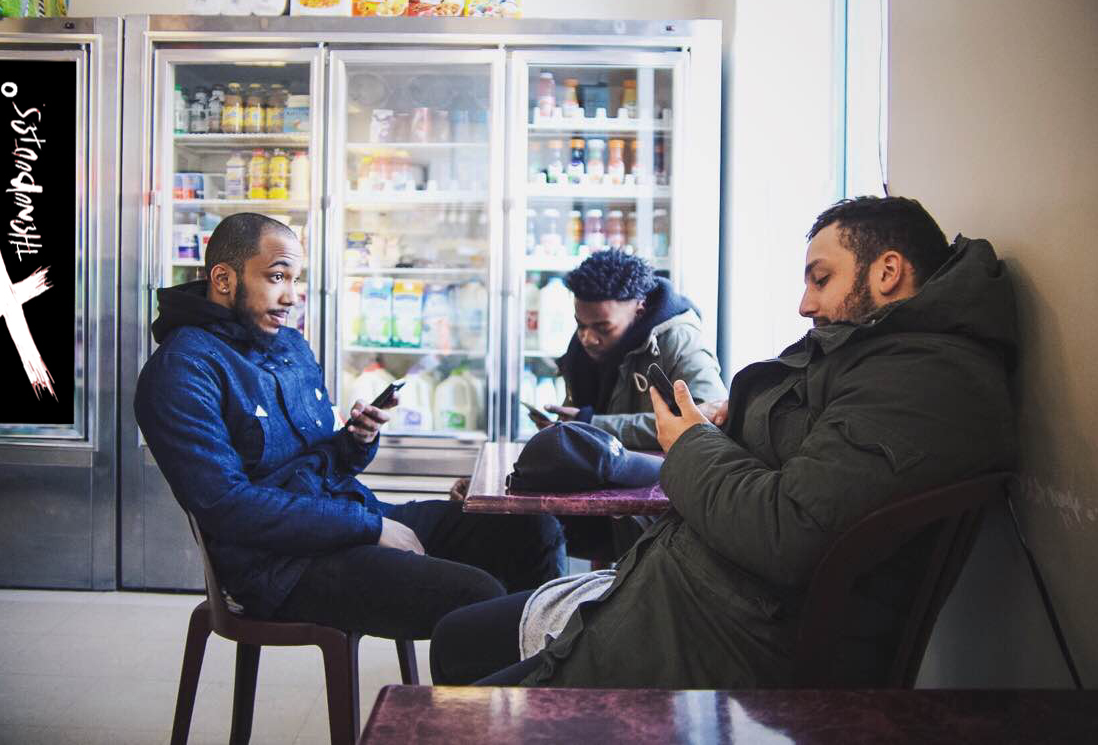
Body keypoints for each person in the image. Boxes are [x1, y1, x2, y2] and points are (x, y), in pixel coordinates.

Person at [429, 196, 1018, 687]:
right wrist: (730, 424)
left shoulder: (922, 381)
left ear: (887, 272)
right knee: (456, 637)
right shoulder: (877, 358)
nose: (805, 303)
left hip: (719, 631)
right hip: (690, 592)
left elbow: (788, 530)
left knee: (452, 700)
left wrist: (692, 440)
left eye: (821, 278)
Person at [135, 213, 564, 640]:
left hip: (346, 519)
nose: (291, 297)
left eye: (295, 280)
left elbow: (325, 464)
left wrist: (358, 439)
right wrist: (371, 528)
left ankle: (546, 672)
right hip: (278, 568)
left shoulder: (287, 345)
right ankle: (509, 679)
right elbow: (228, 506)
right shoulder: (182, 370)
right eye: (277, 277)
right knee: (479, 596)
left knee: (531, 528)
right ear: (224, 279)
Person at [544, 249, 726, 449]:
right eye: (580, 325)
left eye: (603, 328)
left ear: (640, 310)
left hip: (662, 469)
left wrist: (590, 425)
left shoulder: (681, 340)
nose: (587, 338)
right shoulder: (584, 341)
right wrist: (563, 427)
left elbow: (706, 420)